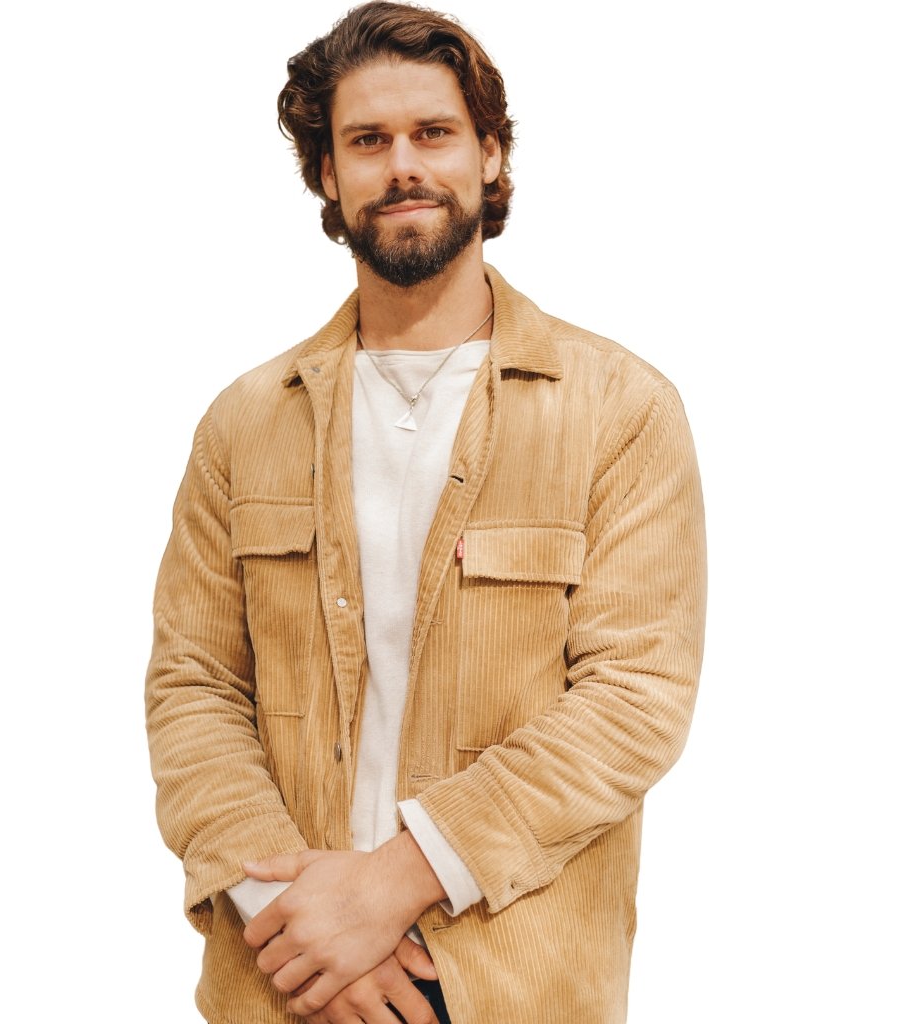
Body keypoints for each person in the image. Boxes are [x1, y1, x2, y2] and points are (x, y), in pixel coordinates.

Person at [145, 3, 707, 1022]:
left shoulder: (620, 410)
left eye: (433, 133)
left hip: (514, 984)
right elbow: (195, 689)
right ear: (327, 172)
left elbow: (633, 699)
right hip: (282, 978)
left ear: (490, 154)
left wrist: (392, 882)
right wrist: (296, 925)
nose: (402, 166)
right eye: (367, 141)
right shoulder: (243, 424)